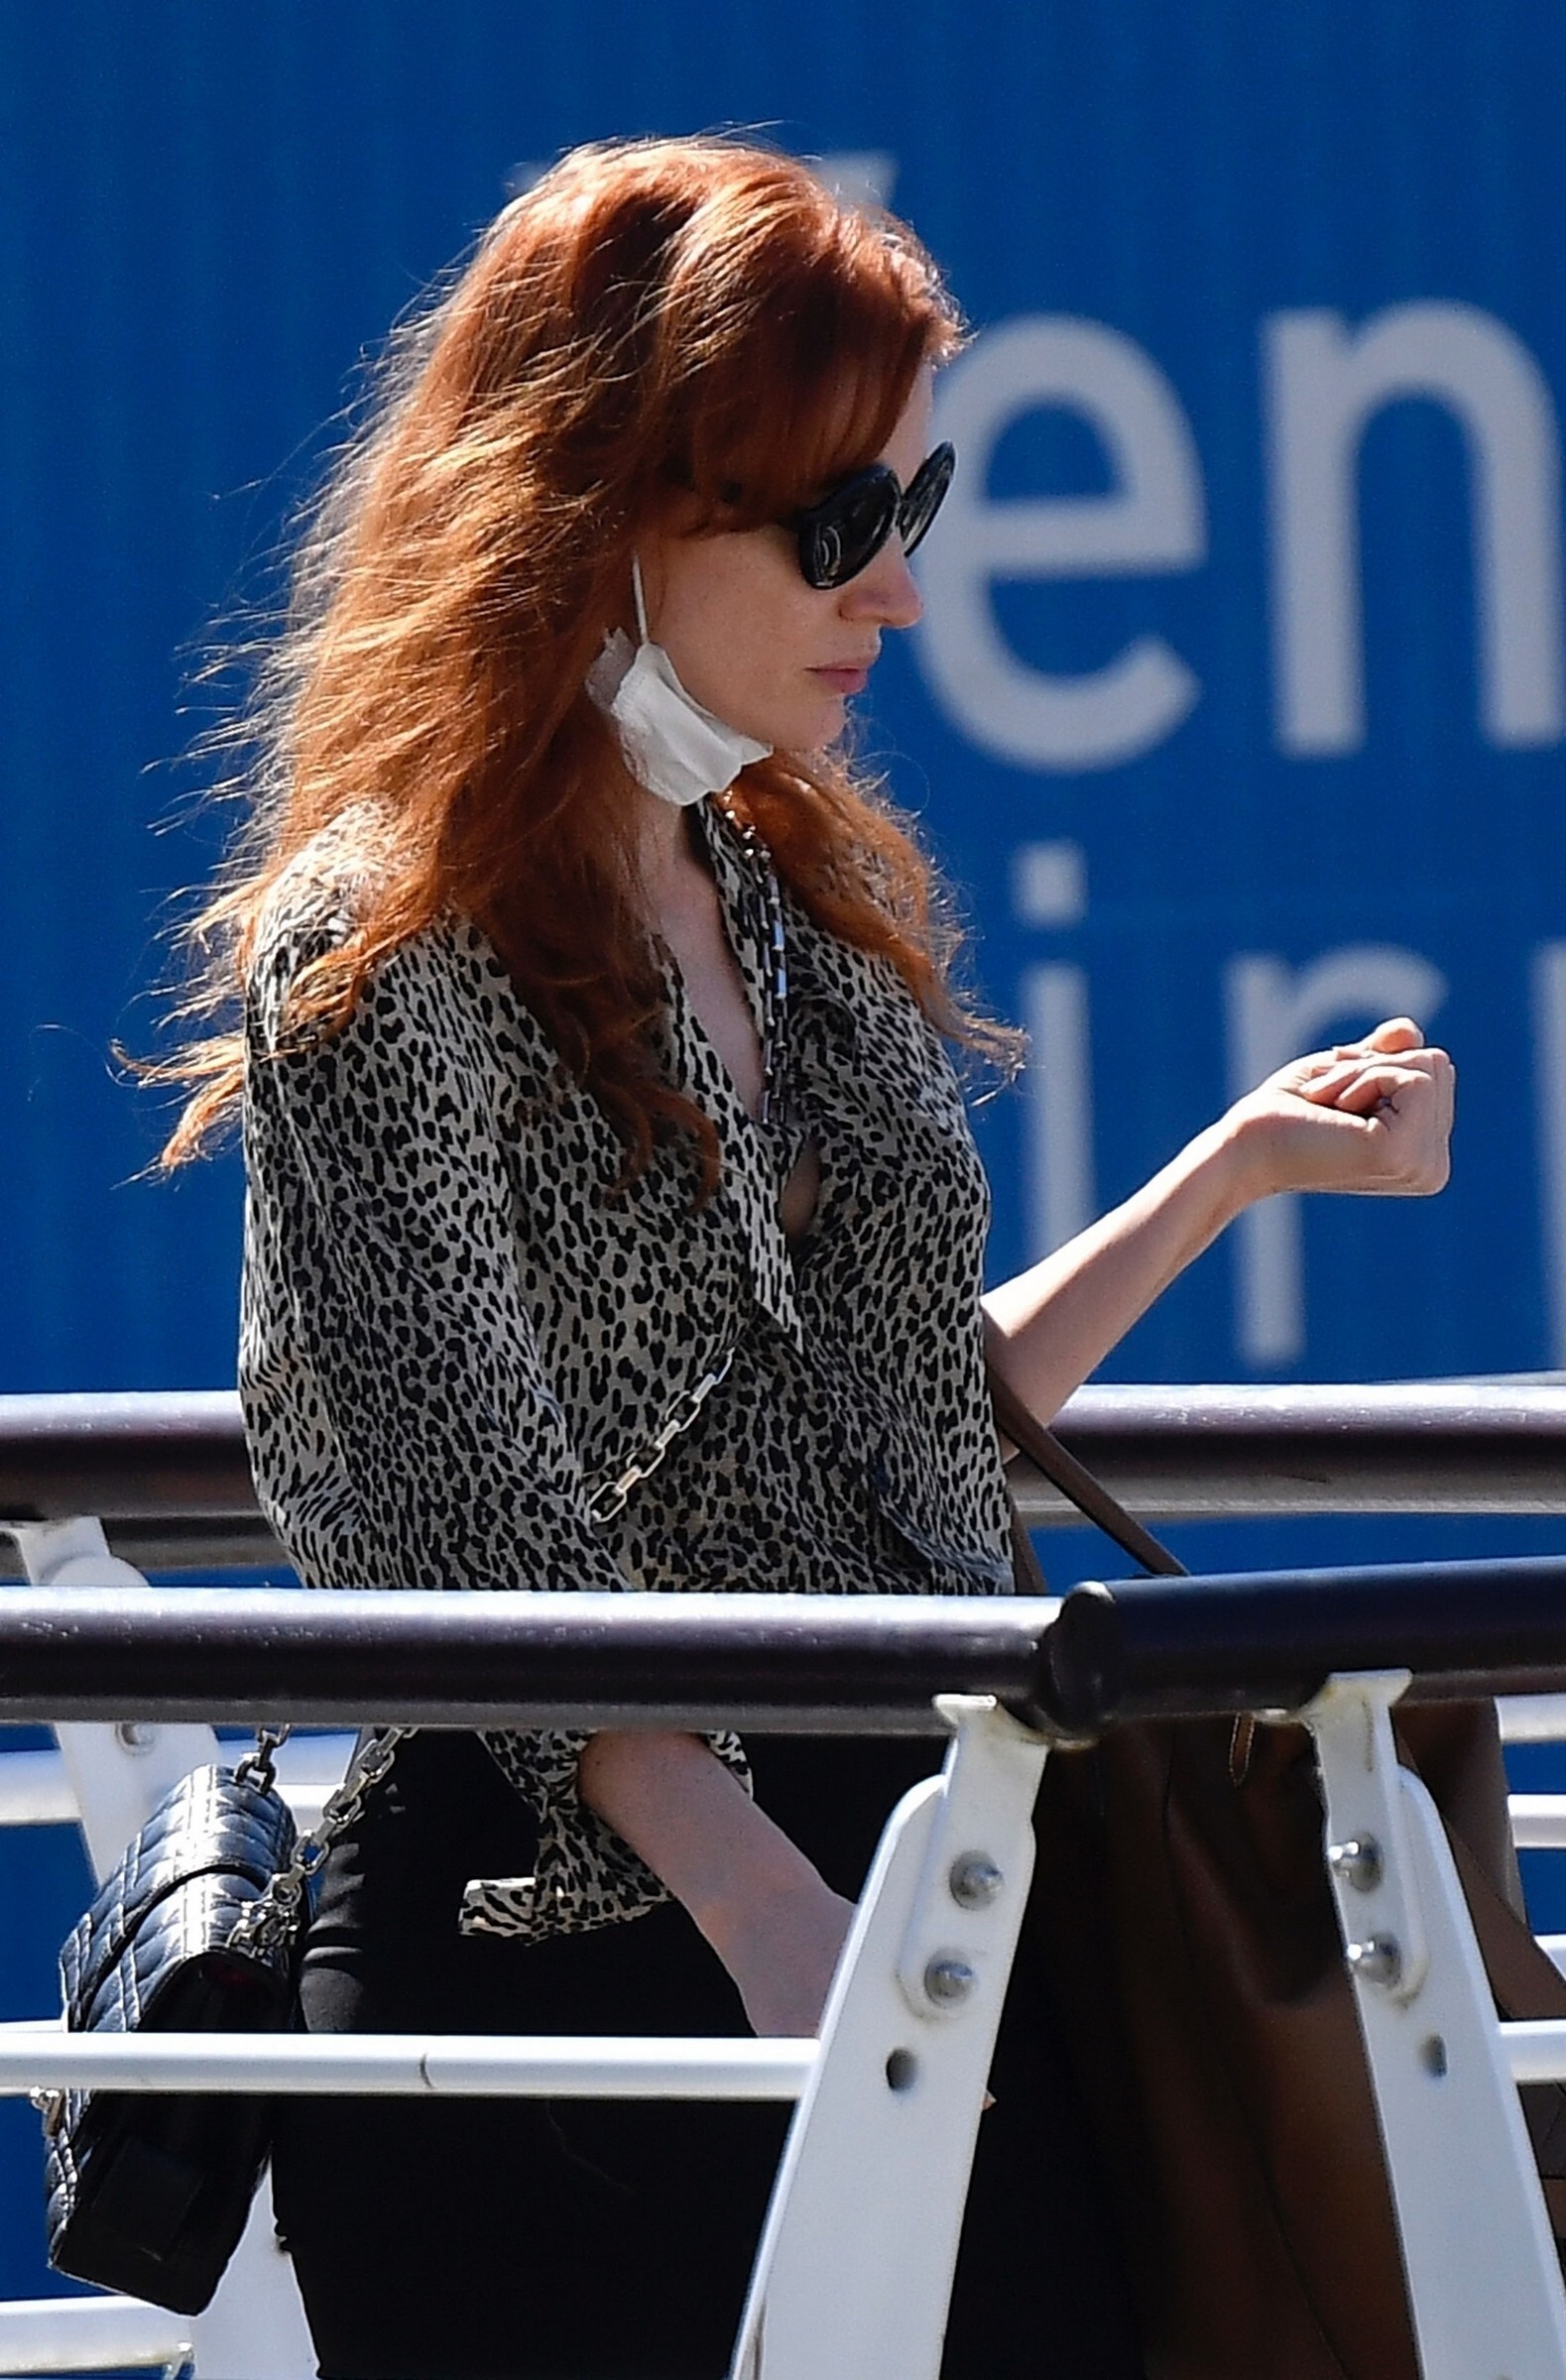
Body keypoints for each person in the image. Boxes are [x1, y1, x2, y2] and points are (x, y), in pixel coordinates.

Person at [159, 136, 1454, 2380]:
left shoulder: (791, 912)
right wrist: (766, 1908)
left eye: (912, 507)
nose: (902, 593)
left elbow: (894, 1419)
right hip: (560, 1953)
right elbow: (463, 1509)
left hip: (897, 1891)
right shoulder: (380, 947)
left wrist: (1226, 1178)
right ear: (608, 508)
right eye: (840, 524)